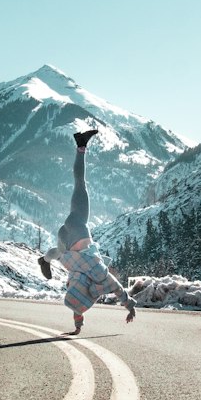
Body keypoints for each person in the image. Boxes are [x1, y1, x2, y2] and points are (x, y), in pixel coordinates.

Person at [39, 128, 137, 335]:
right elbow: (77, 307)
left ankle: (81, 146)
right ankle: (45, 260)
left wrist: (130, 306)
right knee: (58, 253)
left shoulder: (99, 274)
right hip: (66, 242)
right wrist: (77, 327)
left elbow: (118, 289)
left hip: (77, 228)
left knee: (80, 185)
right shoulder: (74, 277)